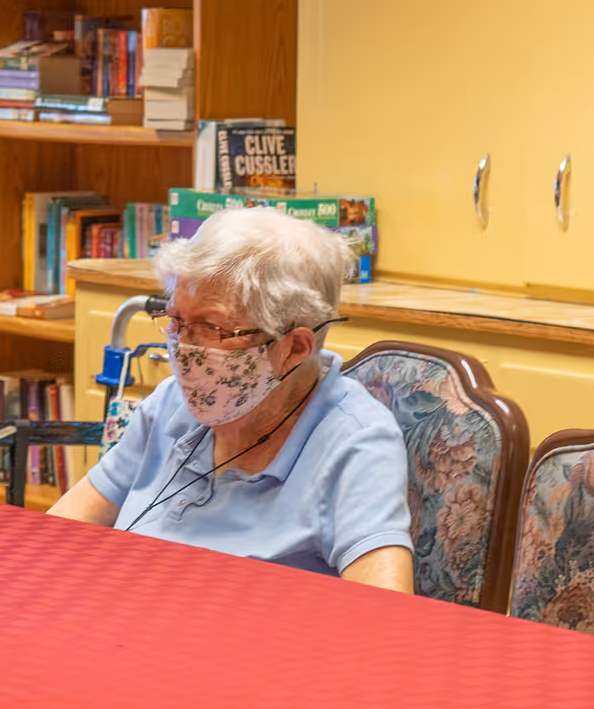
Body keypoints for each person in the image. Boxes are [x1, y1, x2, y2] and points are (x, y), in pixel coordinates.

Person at [47, 207, 413, 589]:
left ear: (294, 347)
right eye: (176, 321)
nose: (182, 349)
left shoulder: (356, 443)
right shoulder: (172, 402)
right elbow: (64, 528)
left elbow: (388, 612)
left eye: (210, 328)